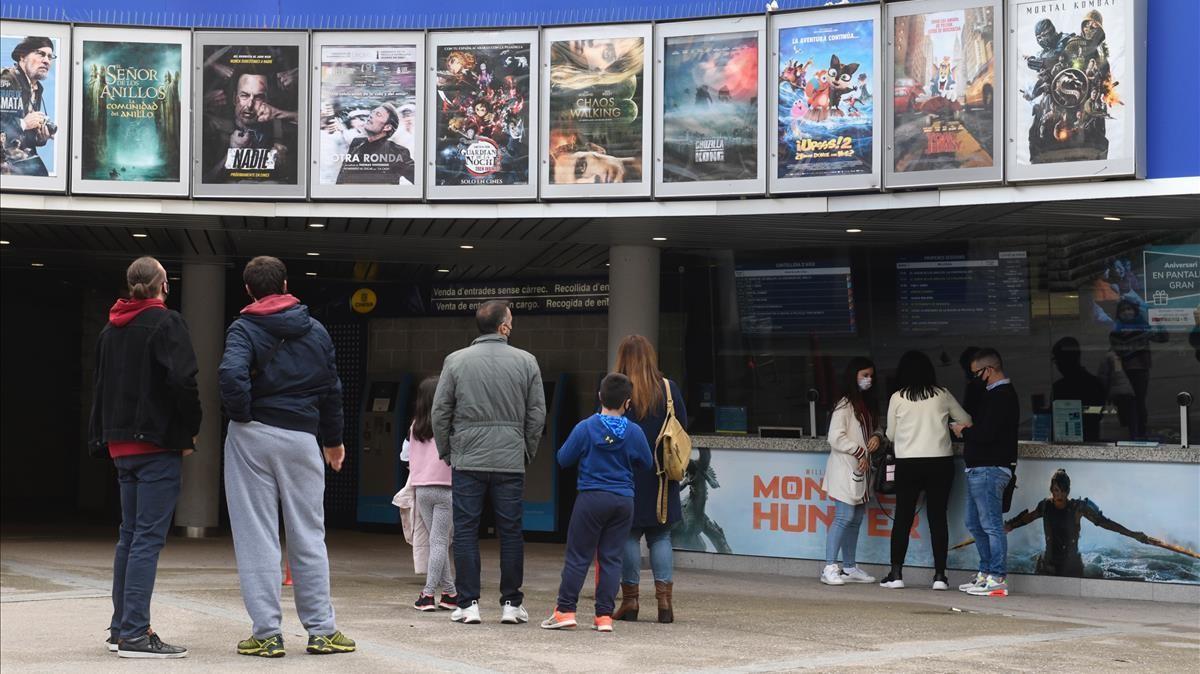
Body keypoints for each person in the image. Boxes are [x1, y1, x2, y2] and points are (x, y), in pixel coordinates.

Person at [218, 256, 355, 657]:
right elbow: (332, 390)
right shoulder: (315, 331)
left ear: (248, 289)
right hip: (302, 437)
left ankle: (266, 634)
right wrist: (333, 440)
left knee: (256, 534)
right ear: (285, 284)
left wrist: (243, 415)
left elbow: (230, 375)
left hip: (252, 436)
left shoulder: (243, 329)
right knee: (309, 532)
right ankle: (322, 631)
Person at [88, 256, 200, 659]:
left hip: (121, 445)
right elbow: (183, 381)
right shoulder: (166, 323)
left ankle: (121, 627)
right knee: (147, 540)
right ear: (162, 285)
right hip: (155, 445)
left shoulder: (109, 328)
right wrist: (190, 429)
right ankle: (135, 633)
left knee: (130, 536)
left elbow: (100, 386)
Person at [432, 300, 546, 625]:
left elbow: (440, 412)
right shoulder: (527, 362)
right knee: (511, 531)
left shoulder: (455, 361)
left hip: (467, 458)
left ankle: (468, 604)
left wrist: (448, 451)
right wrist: (526, 450)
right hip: (510, 459)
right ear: (504, 327)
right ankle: (511, 603)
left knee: (466, 531)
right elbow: (537, 413)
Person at [541, 373, 653, 632]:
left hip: (591, 498)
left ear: (600, 396)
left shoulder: (586, 427)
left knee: (578, 556)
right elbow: (646, 463)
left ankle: (565, 610)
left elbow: (563, 458)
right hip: (623, 500)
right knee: (612, 558)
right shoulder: (634, 431)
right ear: (628, 402)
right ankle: (604, 616)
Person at [612, 335, 689, 623]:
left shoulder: (615, 388)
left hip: (626, 474)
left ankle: (630, 602)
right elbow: (682, 425)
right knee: (661, 535)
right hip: (661, 474)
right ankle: (665, 604)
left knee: (629, 535)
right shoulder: (668, 388)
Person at [881, 350, 971, 590]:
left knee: (903, 518)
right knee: (938, 518)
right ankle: (940, 576)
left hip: (908, 464)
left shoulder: (897, 398)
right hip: (940, 463)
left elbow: (889, 434)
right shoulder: (942, 394)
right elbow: (967, 420)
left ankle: (896, 574)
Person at [1005, 469, 1165, 577]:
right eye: (1055, 490)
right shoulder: (1045, 506)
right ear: (1051, 490)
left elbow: (1105, 523)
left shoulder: (1078, 508)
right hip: (1049, 565)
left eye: (1061, 490)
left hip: (1071, 565)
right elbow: (1027, 518)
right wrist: (1010, 526)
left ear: (1067, 491)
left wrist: (1134, 534)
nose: (1058, 494)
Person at [951, 348, 1018, 597]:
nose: (974, 379)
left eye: (976, 373)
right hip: (979, 469)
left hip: (990, 469)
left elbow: (987, 434)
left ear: (989, 370)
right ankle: (986, 572)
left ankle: (997, 577)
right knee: (974, 522)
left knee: (991, 525)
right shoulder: (991, 395)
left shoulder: (1002, 396)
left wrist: (964, 431)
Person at [821, 357, 883, 586]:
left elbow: (875, 427)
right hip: (846, 467)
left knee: (855, 519)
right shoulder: (844, 404)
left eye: (871, 376)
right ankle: (829, 566)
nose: (869, 379)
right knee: (843, 517)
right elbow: (835, 437)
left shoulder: (867, 404)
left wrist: (877, 436)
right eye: (864, 375)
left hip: (861, 469)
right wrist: (859, 452)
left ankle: (849, 567)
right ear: (853, 375)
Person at [407, 376, 458, 612]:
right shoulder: (450, 424)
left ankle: (450, 593)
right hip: (446, 489)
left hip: (422, 489)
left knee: (435, 542)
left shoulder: (415, 426)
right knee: (440, 542)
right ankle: (428, 594)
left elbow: (405, 457)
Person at [204, 71, 298, 182]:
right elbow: (203, 182)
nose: (250, 105)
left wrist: (279, 114)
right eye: (244, 96)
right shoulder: (215, 129)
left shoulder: (278, 128)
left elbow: (315, 121)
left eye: (258, 97)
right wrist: (232, 154)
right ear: (235, 98)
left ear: (266, 100)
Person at [0, 35, 57, 175]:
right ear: (22, 56)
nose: (46, 61)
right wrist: (24, 124)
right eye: (41, 54)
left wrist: (39, 138)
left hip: (23, 160)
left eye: (50, 57)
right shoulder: (7, 79)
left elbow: (21, 136)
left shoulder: (36, 88)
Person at [336, 103, 415, 185]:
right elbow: (341, 179)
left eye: (378, 114)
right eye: (373, 112)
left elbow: (419, 180)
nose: (371, 116)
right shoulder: (357, 143)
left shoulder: (398, 152)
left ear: (387, 127)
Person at [1051, 337, 1106, 442]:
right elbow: (1098, 413)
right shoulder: (1094, 384)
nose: (1057, 364)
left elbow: (1097, 412)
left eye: (1057, 359)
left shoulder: (1059, 387)